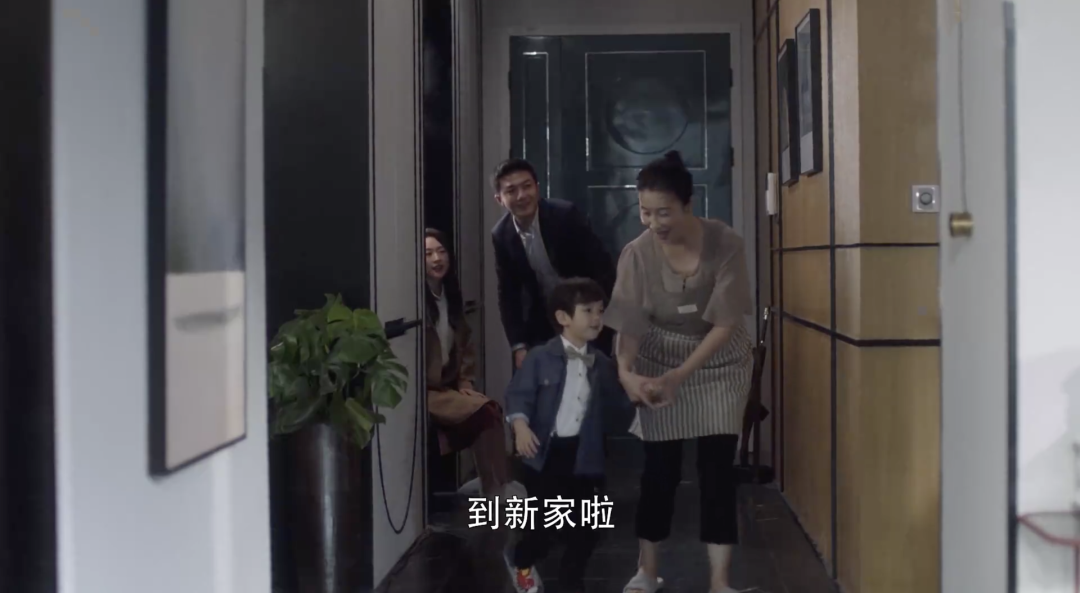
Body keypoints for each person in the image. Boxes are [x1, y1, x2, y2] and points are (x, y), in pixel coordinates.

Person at [604, 151, 754, 593]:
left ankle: (720, 582)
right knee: (660, 470)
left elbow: (725, 323)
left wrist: (681, 376)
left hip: (718, 363)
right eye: (645, 212)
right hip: (657, 358)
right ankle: (647, 570)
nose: (653, 222)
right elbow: (630, 324)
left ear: (689, 205)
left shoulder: (726, 243)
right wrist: (626, 371)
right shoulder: (636, 253)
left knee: (717, 471)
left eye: (664, 212)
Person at [503, 277, 631, 593]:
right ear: (563, 317)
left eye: (600, 311)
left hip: (586, 455)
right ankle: (521, 559)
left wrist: (640, 390)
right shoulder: (539, 357)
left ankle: (572, 583)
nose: (597, 318)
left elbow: (620, 406)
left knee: (587, 529)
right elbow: (519, 395)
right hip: (546, 454)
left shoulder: (601, 364)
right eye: (587, 311)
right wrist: (520, 427)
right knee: (544, 528)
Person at [490, 158, 617, 367]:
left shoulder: (564, 215)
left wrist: (603, 316)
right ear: (499, 199)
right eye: (511, 191)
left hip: (588, 311)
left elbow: (602, 267)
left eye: (527, 186)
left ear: (537, 188)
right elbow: (508, 293)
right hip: (544, 321)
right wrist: (518, 345)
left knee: (594, 376)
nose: (521, 196)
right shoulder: (501, 235)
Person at [423, 228, 521, 499]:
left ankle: (495, 485)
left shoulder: (449, 296)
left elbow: (465, 344)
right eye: (428, 254)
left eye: (441, 251)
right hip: (425, 391)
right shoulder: (416, 302)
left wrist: (465, 381)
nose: (436, 259)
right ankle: (494, 488)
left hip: (447, 386)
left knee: (490, 413)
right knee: (486, 412)